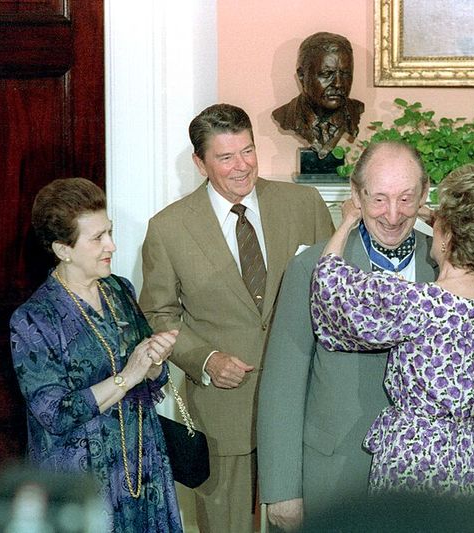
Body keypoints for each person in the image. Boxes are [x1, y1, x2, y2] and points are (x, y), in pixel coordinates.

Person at [139, 103, 334, 532]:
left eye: (247, 151)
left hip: (305, 406)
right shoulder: (168, 228)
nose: (242, 166)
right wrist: (206, 360)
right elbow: (157, 312)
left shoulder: (304, 204)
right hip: (223, 412)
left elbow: (335, 290)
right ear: (200, 163)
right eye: (226, 157)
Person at [310, 164, 474, 496]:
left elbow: (331, 286)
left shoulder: (421, 303)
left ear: (450, 235)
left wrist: (346, 222)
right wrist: (447, 221)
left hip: (412, 458)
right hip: (465, 457)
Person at [257, 140, 436, 531]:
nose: (393, 215)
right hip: (335, 472)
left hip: (429, 478)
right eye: (379, 199)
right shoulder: (311, 267)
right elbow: (283, 383)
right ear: (357, 195)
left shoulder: (452, 269)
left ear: (424, 195)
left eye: (406, 198)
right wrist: (282, 488)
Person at [10, 177, 182, 532]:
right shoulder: (34, 318)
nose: (112, 245)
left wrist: (154, 361)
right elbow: (55, 414)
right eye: (98, 238)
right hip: (81, 480)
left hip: (142, 464)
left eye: (110, 232)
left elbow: (152, 379)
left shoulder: (120, 290)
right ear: (63, 250)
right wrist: (127, 377)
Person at [272, 32, 364, 159]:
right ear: (302, 76)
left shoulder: (355, 110)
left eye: (345, 74)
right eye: (327, 74)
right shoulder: (285, 115)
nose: (338, 84)